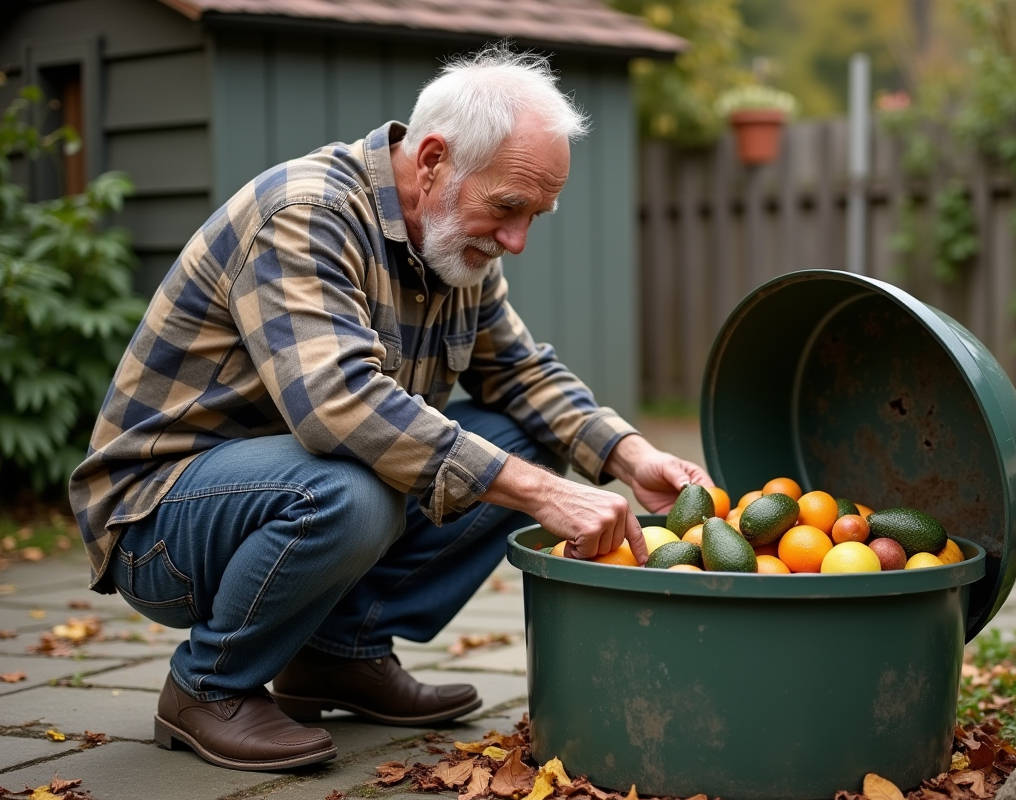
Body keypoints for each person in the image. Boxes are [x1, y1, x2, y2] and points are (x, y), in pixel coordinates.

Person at [69, 44, 711, 772]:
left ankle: (338, 656)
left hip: (287, 489)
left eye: (537, 214)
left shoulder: (454, 243)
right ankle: (208, 686)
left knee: (524, 441)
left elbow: (523, 375)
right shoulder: (306, 213)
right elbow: (340, 407)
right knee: (357, 489)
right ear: (433, 158)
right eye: (507, 208)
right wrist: (543, 493)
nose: (518, 240)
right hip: (158, 522)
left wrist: (630, 455)